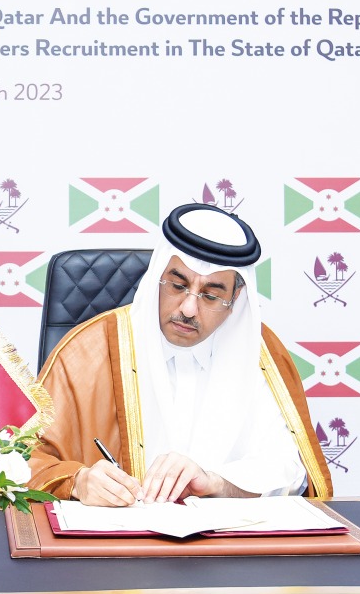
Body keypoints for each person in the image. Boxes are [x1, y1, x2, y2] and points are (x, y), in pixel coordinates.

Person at [29, 203, 330, 507]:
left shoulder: (261, 355)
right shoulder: (86, 351)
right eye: (177, 285)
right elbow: (23, 460)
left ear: (235, 297)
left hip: (228, 549)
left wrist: (216, 483)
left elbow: (291, 471)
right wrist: (78, 481)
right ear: (158, 275)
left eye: (211, 295)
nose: (188, 309)